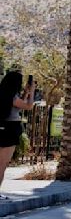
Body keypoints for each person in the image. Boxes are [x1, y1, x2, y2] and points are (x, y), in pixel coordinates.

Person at [0, 72, 35, 200]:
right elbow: (28, 106)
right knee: (2, 164)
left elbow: (16, 108)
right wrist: (32, 92)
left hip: (2, 128)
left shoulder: (4, 94)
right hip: (9, 130)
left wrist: (25, 93)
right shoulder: (12, 97)